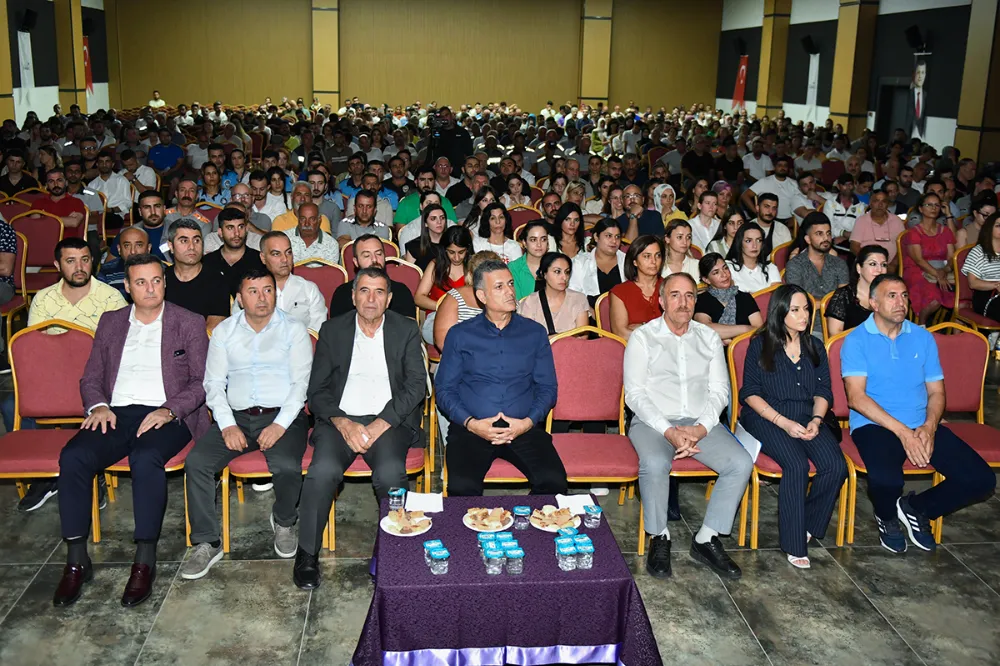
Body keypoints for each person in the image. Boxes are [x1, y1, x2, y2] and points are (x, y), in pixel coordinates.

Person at [52, 253, 210, 608]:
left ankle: (144, 559)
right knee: (74, 456)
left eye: (156, 280)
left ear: (165, 282)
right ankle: (77, 559)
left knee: (145, 456)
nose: (150, 288)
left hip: (167, 415)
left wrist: (169, 410)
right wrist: (98, 405)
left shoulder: (188, 321)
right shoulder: (110, 322)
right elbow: (91, 377)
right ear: (127, 286)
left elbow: (203, 383)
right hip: (115, 413)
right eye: (140, 282)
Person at [841, 274, 995, 553]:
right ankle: (887, 517)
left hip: (921, 423)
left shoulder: (922, 338)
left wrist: (929, 427)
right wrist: (903, 432)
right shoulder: (856, 340)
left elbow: (937, 393)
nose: (901, 302)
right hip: (875, 424)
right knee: (886, 480)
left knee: (981, 480)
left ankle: (916, 508)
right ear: (874, 303)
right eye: (892, 296)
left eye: (904, 295)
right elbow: (856, 398)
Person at [294, 267, 427, 589]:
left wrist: (382, 423)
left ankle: (398, 551)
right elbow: (318, 390)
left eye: (379, 291)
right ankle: (307, 555)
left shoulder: (406, 330)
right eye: (364, 290)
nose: (371, 299)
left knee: (391, 472)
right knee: (322, 471)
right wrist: (343, 422)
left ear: (390, 298)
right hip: (341, 421)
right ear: (353, 296)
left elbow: (415, 386)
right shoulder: (332, 330)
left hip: (389, 421)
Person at [180, 267, 312, 580]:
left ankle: (283, 520)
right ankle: (206, 542)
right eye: (253, 291)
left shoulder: (294, 330)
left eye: (268, 290)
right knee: (197, 462)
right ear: (239, 298)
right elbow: (213, 383)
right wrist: (226, 424)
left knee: (287, 466)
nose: (262, 297)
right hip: (236, 416)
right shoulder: (224, 331)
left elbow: (301, 384)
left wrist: (279, 425)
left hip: (284, 415)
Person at [625, 272, 752, 579]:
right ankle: (659, 536)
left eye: (690, 295)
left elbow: (720, 391)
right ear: (661, 300)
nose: (683, 303)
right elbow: (635, 394)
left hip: (699, 423)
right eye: (675, 295)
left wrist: (701, 429)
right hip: (653, 423)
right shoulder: (644, 337)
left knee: (741, 462)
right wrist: (669, 430)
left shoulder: (707, 337)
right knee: (655, 462)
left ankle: (706, 538)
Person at [435, 259, 568, 497]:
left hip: (522, 427)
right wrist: (471, 423)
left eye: (510, 284)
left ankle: (525, 530)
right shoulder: (460, 335)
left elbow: (547, 388)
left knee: (553, 481)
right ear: (482, 296)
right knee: (462, 488)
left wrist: (527, 423)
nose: (509, 291)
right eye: (499, 287)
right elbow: (444, 390)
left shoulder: (534, 333)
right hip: (472, 429)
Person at [739, 284, 847, 568]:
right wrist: (783, 422)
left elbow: (824, 390)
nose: (804, 316)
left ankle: (808, 522)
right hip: (766, 416)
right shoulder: (760, 344)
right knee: (797, 464)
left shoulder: (814, 346)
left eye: (807, 309)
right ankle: (793, 541)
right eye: (796, 310)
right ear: (780, 311)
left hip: (806, 416)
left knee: (835, 466)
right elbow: (749, 392)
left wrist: (816, 420)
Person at [163, 219, 230, 330]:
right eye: (184, 241)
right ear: (170, 246)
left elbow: (213, 329)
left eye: (196, 240)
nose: (192, 247)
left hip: (201, 344)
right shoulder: (161, 279)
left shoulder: (217, 280)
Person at [900, 192, 956, 324]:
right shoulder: (914, 232)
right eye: (929, 205)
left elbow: (951, 257)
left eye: (937, 205)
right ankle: (921, 325)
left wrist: (945, 270)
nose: (933, 208)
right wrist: (938, 275)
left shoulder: (945, 231)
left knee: (958, 292)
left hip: (941, 269)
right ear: (920, 209)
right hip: (917, 270)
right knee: (934, 299)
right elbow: (918, 260)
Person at [330, 235, 416, 319]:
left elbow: (409, 329)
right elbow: (336, 329)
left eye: (379, 254)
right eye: (367, 256)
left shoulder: (401, 290)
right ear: (356, 262)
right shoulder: (342, 293)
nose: (374, 259)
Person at [784, 214, 850, 316]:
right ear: (808, 239)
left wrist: (819, 303)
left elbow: (845, 299)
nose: (826, 238)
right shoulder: (795, 265)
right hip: (807, 323)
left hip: (836, 321)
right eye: (819, 234)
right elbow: (798, 303)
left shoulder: (839, 263)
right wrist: (830, 302)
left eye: (828, 233)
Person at [694, 253, 763, 343]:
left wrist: (727, 338)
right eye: (716, 272)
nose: (724, 274)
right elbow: (706, 329)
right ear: (706, 280)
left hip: (747, 349)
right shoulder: (701, 300)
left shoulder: (745, 297)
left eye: (725, 268)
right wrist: (745, 328)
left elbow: (759, 330)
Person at [517, 252, 589, 335]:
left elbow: (582, 338)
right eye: (557, 272)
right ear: (544, 274)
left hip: (574, 348)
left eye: (567, 272)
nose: (564, 277)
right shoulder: (530, 302)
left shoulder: (579, 299)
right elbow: (527, 338)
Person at [826, 245, 890, 337]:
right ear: (859, 268)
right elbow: (835, 335)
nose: (879, 270)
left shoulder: (891, 295)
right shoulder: (844, 295)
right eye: (873, 264)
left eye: (884, 265)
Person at [609, 235, 664, 341]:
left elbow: (680, 326)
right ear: (634, 261)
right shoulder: (620, 292)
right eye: (647, 256)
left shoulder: (670, 286)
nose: (654, 261)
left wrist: (641, 327)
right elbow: (621, 334)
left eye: (658, 256)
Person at [202, 207, 266, 296]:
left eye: (241, 227)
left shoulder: (259, 261)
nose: (237, 233)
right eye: (230, 228)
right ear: (220, 232)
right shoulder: (208, 262)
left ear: (246, 229)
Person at [569, 218, 626, 306]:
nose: (614, 241)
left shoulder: (627, 261)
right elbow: (573, 295)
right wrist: (590, 313)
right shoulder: (580, 262)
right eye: (608, 236)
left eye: (617, 237)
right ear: (596, 237)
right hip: (589, 315)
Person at [849, 189, 906, 270]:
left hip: (891, 267)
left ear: (887, 204)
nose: (880, 205)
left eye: (884, 201)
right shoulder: (861, 220)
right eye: (876, 201)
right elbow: (854, 246)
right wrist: (870, 263)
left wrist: (894, 263)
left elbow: (903, 245)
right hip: (867, 265)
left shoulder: (896, 220)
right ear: (870, 203)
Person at [960, 211, 1000, 322]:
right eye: (998, 226)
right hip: (987, 296)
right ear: (989, 229)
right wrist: (996, 285)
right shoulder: (978, 252)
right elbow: (973, 283)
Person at [725, 222, 782, 293]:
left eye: (759, 240)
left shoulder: (770, 268)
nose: (755, 245)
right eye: (748, 241)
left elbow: (776, 299)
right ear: (739, 243)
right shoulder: (728, 268)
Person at [30, 168, 87, 239]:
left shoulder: (76, 202)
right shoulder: (38, 202)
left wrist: (44, 218)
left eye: (59, 180)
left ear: (66, 183)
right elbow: (35, 224)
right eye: (51, 181)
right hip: (45, 241)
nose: (55, 184)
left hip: (68, 244)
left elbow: (74, 222)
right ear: (47, 185)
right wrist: (66, 220)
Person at [743, 155, 799, 222]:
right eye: (780, 165)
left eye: (785, 166)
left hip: (790, 220)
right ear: (774, 167)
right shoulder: (764, 181)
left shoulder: (794, 183)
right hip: (768, 219)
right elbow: (745, 196)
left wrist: (795, 218)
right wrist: (757, 212)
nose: (782, 167)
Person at [285, 202, 342, 267]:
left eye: (312, 219)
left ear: (319, 219)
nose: (307, 224)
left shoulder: (331, 244)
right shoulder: (284, 238)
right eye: (303, 219)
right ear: (298, 219)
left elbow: (329, 274)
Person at [508, 219, 550, 299]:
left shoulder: (555, 265)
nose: (539, 244)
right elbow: (517, 302)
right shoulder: (513, 268)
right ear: (524, 243)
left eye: (543, 239)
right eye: (533, 240)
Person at [403, 203, 447, 271]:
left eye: (442, 218)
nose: (439, 222)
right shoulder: (414, 246)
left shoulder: (451, 244)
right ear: (425, 223)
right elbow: (409, 276)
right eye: (433, 219)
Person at [751, 193, 792, 257]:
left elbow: (787, 256)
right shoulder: (748, 228)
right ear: (757, 208)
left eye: (774, 208)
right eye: (766, 206)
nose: (770, 211)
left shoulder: (783, 230)